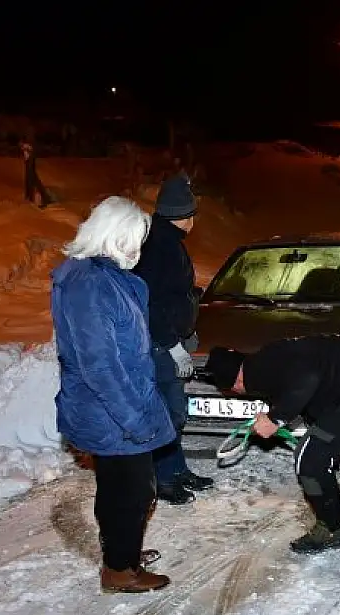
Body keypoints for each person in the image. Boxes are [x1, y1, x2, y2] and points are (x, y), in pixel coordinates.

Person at [51, 196, 176, 593]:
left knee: (118, 488)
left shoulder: (101, 277)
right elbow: (100, 366)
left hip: (112, 408)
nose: (137, 250)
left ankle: (120, 553)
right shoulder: (90, 285)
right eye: (133, 239)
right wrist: (135, 420)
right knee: (134, 492)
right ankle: (119, 571)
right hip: (113, 412)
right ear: (111, 236)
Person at [204, 334, 340, 553]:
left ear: (236, 382)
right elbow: (309, 387)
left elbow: (307, 377)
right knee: (336, 427)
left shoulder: (260, 371)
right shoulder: (267, 359)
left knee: (310, 458)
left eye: (229, 390)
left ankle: (333, 530)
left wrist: (275, 419)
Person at [133, 171, 214, 505]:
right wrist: (172, 345)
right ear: (186, 215)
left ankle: (175, 469)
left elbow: (171, 294)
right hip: (159, 345)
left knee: (173, 410)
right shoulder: (160, 247)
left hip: (167, 341)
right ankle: (163, 479)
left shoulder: (164, 241)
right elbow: (150, 302)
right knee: (169, 413)